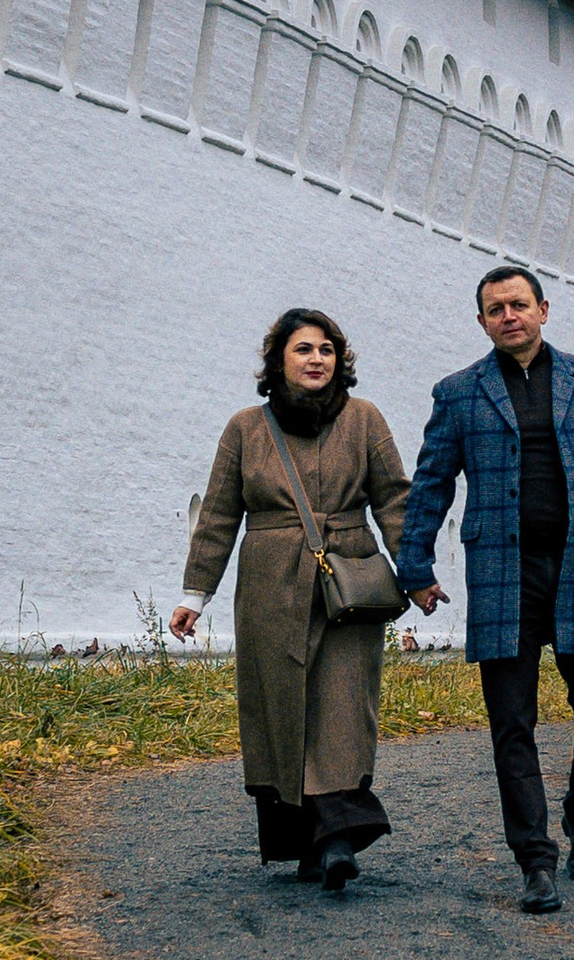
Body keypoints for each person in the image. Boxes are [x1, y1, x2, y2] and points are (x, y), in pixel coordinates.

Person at [394, 265, 574, 916]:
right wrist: (416, 568)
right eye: (495, 308)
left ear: (543, 309)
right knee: (511, 722)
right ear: (482, 321)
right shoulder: (459, 393)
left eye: (519, 304)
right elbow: (431, 483)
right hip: (502, 572)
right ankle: (535, 860)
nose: (509, 315)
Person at [171, 308, 410, 899]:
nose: (316, 358)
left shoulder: (364, 420)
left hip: (348, 583)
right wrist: (193, 595)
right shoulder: (246, 428)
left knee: (342, 706)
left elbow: (396, 501)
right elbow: (221, 514)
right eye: (303, 348)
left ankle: (335, 839)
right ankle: (311, 844)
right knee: (281, 706)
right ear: (279, 360)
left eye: (327, 349)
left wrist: (420, 574)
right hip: (270, 584)